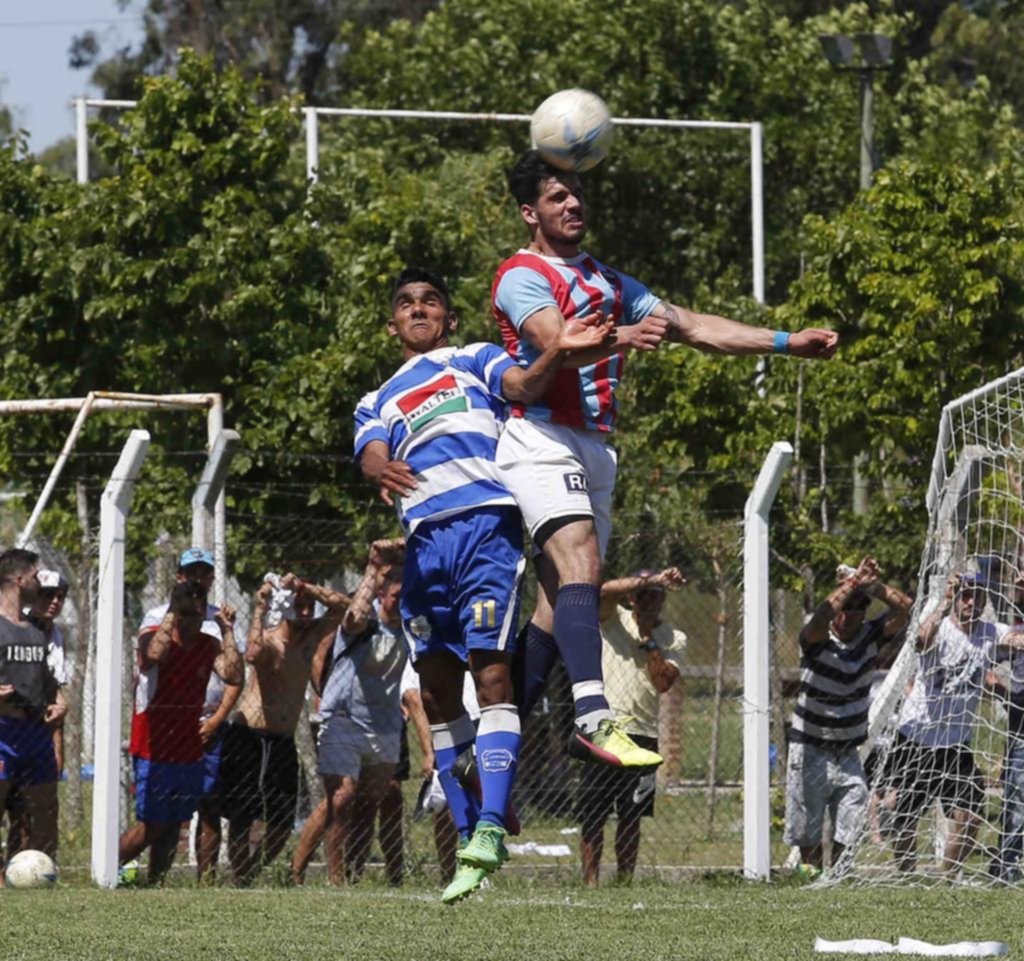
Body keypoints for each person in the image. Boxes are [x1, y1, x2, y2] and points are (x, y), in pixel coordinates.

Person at [493, 149, 840, 768]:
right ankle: (594, 717)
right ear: (529, 213)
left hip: (595, 444)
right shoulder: (522, 276)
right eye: (557, 198)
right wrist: (623, 335)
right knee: (583, 564)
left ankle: (493, 743)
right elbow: (556, 344)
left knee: (558, 602)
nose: (573, 204)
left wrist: (787, 343)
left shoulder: (607, 280)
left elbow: (694, 325)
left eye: (576, 194)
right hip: (541, 435)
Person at [354, 266, 612, 903]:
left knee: (490, 675)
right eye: (407, 304)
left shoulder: (473, 359)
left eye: (431, 301)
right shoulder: (377, 397)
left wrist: (556, 347)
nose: (419, 310)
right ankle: (470, 821)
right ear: (393, 325)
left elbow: (523, 382)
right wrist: (379, 464)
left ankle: (491, 826)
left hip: (485, 529)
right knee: (439, 693)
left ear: (448, 318)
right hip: (423, 543)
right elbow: (369, 451)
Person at [885, 572, 1024, 875]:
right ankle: (906, 877)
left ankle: (946, 879)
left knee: (972, 813)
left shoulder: (991, 632)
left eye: (977, 595)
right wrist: (944, 602)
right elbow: (921, 640)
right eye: (964, 594)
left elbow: (1018, 639)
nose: (971, 601)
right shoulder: (940, 628)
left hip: (955, 742)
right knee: (907, 815)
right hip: (917, 736)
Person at [782, 556, 912, 873]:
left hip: (848, 751)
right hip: (810, 745)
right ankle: (809, 879)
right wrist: (851, 584)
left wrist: (874, 586)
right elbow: (822, 615)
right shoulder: (816, 639)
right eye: (844, 606)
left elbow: (907, 608)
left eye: (857, 607)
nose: (848, 613)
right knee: (808, 829)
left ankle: (836, 880)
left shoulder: (869, 635)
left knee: (851, 826)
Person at [221, 572, 348, 885]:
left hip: (282, 740)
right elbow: (251, 654)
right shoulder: (272, 639)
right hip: (249, 735)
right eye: (299, 605)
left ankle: (249, 874)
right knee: (241, 816)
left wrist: (307, 588)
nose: (305, 612)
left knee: (281, 821)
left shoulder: (313, 635)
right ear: (287, 605)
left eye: (309, 606)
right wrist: (260, 608)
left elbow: (346, 608)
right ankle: (241, 878)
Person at [294, 547, 408, 887]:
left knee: (368, 806)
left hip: (384, 725)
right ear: (382, 594)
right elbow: (354, 614)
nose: (401, 600)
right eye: (396, 594)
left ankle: (354, 875)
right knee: (341, 798)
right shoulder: (363, 622)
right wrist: (373, 569)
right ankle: (323, 874)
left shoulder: (412, 627)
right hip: (342, 718)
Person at [119, 580, 243, 885]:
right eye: (186, 613)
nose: (192, 621)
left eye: (197, 614)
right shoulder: (154, 635)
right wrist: (174, 610)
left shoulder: (207, 644)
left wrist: (227, 631)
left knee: (175, 822)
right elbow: (152, 657)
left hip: (188, 744)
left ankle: (155, 881)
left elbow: (234, 675)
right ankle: (106, 868)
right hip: (154, 743)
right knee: (154, 824)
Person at [577, 566, 687, 885]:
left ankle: (625, 880)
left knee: (632, 814)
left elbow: (664, 681)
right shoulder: (613, 620)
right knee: (593, 812)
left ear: (664, 601)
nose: (649, 601)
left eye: (656, 596)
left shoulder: (673, 637)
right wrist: (652, 580)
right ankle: (590, 881)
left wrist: (648, 639)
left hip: (643, 733)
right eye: (643, 595)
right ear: (631, 598)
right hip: (604, 728)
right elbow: (602, 590)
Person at [0, 549, 66, 879]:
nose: (39, 582)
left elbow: (47, 678)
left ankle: (37, 878)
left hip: (35, 730)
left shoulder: (37, 629)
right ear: (18, 578)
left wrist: (59, 698)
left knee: (44, 811)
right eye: (36, 575)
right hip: (2, 730)